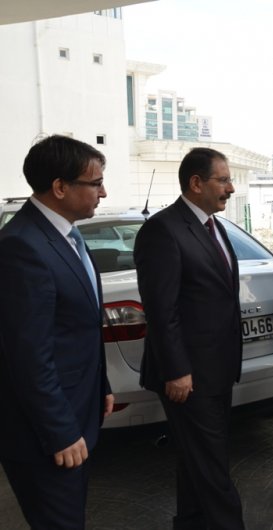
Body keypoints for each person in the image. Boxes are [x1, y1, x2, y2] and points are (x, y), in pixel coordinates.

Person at [0, 135, 114, 528]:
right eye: (95, 183)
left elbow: (78, 328)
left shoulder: (67, 235)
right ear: (60, 187)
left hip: (77, 409)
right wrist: (60, 431)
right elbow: (27, 355)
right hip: (43, 434)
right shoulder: (21, 247)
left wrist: (101, 386)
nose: (103, 192)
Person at [134, 147, 245, 529]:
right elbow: (161, 310)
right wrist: (177, 370)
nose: (231, 188)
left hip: (217, 369)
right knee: (212, 465)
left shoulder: (214, 226)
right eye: (224, 180)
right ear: (196, 183)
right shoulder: (162, 230)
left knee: (197, 458)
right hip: (188, 376)